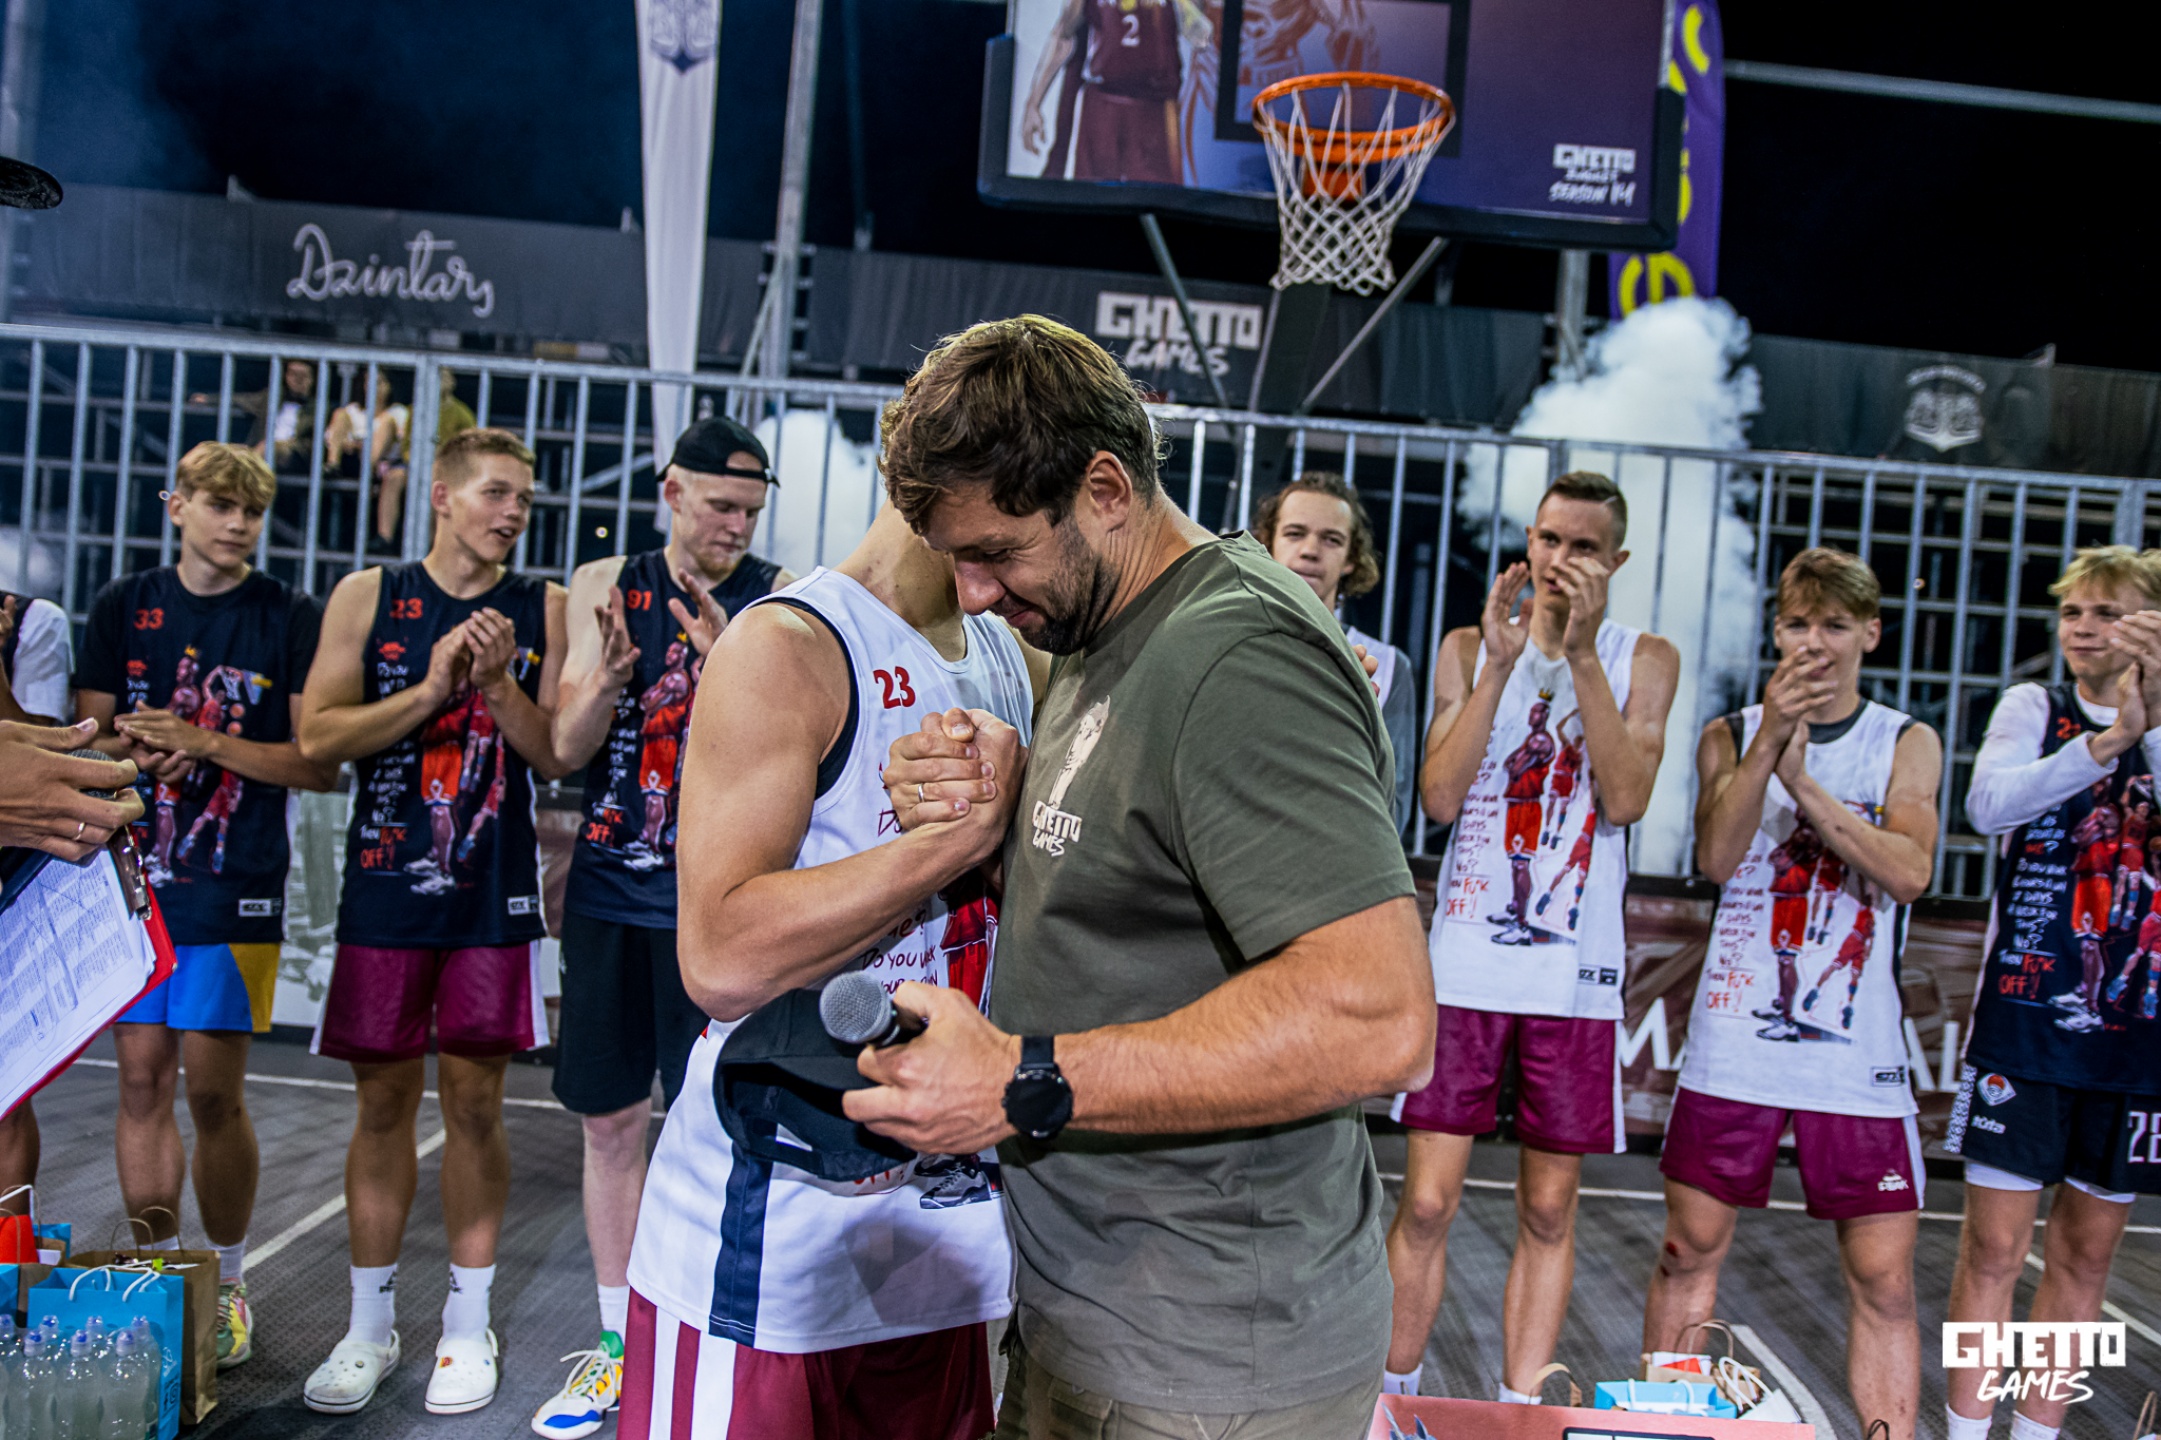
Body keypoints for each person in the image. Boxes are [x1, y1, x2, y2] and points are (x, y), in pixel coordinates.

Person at [871, 316, 1432, 1439]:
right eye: (955, 559)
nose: (972, 593)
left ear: (1106, 489)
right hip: (1106, 1316)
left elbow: (1377, 1019)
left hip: (1203, 1365)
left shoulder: (1238, 659)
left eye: (996, 553)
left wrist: (1021, 1080)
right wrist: (1008, 806)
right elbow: (1147, 879)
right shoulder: (1110, 621)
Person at [614, 486, 1040, 1440]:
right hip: (775, 1250)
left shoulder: (1011, 651)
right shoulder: (792, 643)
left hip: (947, 1243)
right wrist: (953, 839)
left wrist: (1006, 829)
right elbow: (721, 959)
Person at [1383, 471, 1679, 1401]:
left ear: (1615, 561)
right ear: (1529, 541)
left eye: (1583, 547)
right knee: (1425, 1201)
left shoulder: (1643, 657)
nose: (1560, 560)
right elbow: (1437, 798)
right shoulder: (1469, 645)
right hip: (1466, 968)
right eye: (1549, 540)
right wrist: (1501, 667)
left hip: (1574, 980)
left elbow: (1625, 799)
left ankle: (1520, 1408)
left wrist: (1580, 657)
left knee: (1549, 1208)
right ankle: (1391, 1398)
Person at [296, 427, 569, 1418]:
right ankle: (368, 1326)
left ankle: (466, 1323)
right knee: (379, 1108)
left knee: (477, 1107)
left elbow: (555, 753)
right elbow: (318, 737)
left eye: (524, 499)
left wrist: (495, 684)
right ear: (443, 496)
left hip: (491, 896)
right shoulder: (369, 596)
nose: (513, 512)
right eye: (496, 492)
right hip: (385, 885)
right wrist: (428, 690)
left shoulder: (543, 606)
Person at [531, 416, 794, 1438]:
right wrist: (605, 676)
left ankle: (696, 1337)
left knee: (714, 1129)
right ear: (671, 492)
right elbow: (563, 748)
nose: (736, 527)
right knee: (607, 1123)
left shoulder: (779, 599)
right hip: (610, 895)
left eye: (749, 511)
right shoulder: (605, 583)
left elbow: (799, 759)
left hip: (718, 910)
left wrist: (734, 663)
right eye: (720, 505)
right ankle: (615, 1345)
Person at [1647, 549, 1940, 1440]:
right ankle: (1670, 1431)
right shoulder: (1729, 733)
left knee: (1882, 1279)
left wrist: (1804, 784)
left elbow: (1908, 872)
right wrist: (1771, 742)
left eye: (1835, 626)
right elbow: (1716, 857)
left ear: (1870, 634)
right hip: (1735, 1045)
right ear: (1776, 631)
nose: (1814, 642)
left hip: (1855, 1058)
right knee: (1686, 1252)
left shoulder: (1904, 739)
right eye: (1798, 624)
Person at [71, 442, 335, 1371]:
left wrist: (205, 741)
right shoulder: (123, 603)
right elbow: (85, 738)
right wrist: (137, 750)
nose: (237, 523)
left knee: (214, 1092)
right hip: (133, 880)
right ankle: (157, 1276)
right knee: (139, 1081)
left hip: (237, 887)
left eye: (251, 510)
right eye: (221, 504)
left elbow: (316, 763)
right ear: (176, 505)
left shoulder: (288, 613)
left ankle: (226, 1282)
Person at [1944, 545, 2161, 1440]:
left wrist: (2150, 727)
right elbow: (1987, 806)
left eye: (2108, 612)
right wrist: (2106, 743)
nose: (2083, 628)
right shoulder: (2034, 706)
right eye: (2073, 611)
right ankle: (1964, 1434)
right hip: (2024, 1024)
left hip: (2135, 1042)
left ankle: (2036, 1434)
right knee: (1992, 1249)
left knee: (2084, 1257)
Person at [1254, 470, 1417, 832]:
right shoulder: (1232, 639)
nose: (1310, 550)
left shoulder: (1388, 665)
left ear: (1351, 558)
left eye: (1331, 539)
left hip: (1334, 854)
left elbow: (1393, 810)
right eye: (1294, 533)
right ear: (1267, 543)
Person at [1021, 0, 1209, 182]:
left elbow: (1200, 36)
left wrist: (1186, 8)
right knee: (1093, 197)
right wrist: (1033, 104)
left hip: (1154, 108)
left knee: (1156, 198)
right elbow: (1063, 35)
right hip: (1102, 106)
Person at [240, 359, 323, 477]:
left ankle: (244, 475)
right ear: (286, 376)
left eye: (303, 375)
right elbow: (241, 400)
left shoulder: (319, 407)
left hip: (296, 454)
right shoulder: (271, 397)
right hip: (264, 450)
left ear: (312, 379)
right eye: (293, 374)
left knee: (267, 448)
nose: (298, 380)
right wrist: (213, 399)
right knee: (234, 452)